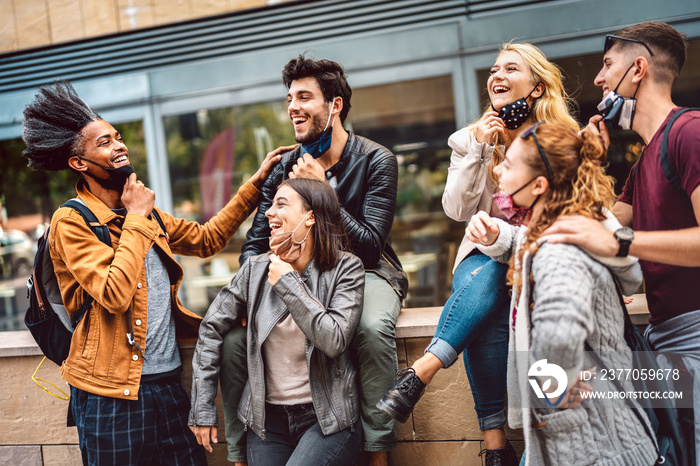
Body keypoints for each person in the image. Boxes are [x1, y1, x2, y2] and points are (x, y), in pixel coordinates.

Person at [21, 80, 282, 465]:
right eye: (105, 143)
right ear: (79, 163)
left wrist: (255, 186)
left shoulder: (142, 212)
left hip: (167, 386)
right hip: (109, 396)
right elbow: (114, 293)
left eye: (118, 137)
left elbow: (206, 239)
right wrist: (139, 218)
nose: (119, 145)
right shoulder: (72, 221)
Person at [377, 42, 578, 465]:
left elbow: (576, 209)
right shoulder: (470, 140)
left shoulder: (561, 138)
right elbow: (457, 209)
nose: (497, 76)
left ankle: (482, 436)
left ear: (537, 87)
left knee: (490, 295)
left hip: (539, 256)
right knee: (489, 275)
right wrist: (480, 150)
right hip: (483, 257)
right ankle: (491, 443)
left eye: (510, 68)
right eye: (493, 69)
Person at [220, 55, 408, 466]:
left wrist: (327, 193)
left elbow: (371, 246)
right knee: (235, 339)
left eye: (305, 96)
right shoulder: (284, 166)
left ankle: (377, 449)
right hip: (299, 275)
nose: (293, 106)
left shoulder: (376, 160)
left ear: (335, 104)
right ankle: (238, 452)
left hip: (368, 271)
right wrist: (248, 297)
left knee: (372, 328)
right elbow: (253, 246)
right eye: (290, 98)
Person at [543, 21, 700, 462]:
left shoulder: (689, 131)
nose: (598, 79)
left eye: (608, 65)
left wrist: (625, 245)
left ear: (639, 69)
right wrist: (592, 160)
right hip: (664, 339)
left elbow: (616, 237)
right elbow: (600, 224)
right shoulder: (647, 155)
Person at [468, 122, 657, 465]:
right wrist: (498, 236)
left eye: (508, 165)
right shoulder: (556, 226)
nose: (497, 169)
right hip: (602, 435)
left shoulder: (558, 250)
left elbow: (558, 334)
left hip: (588, 446)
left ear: (539, 185)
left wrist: (545, 404)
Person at [189, 178, 364, 466]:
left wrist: (289, 284)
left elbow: (333, 339)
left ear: (310, 217)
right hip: (268, 423)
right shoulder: (255, 269)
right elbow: (211, 328)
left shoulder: (345, 268)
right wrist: (202, 408)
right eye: (271, 205)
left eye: (281, 204)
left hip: (328, 420)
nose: (269, 212)